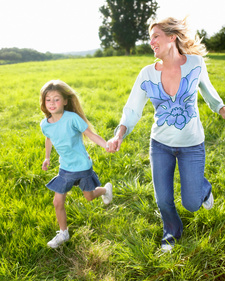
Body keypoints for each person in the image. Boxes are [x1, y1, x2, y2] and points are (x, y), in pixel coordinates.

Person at [106, 17, 225, 252]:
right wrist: (119, 134)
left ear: (172, 37)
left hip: (192, 145)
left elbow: (211, 96)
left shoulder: (196, 64)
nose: (151, 42)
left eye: (155, 36)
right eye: (150, 38)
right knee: (163, 200)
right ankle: (171, 231)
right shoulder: (147, 73)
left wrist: (222, 109)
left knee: (191, 204)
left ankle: (203, 189)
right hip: (160, 145)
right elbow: (132, 109)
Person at [40, 80, 112, 249]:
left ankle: (105, 190)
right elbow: (49, 138)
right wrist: (47, 157)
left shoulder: (72, 118)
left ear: (65, 101)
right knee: (58, 202)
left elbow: (90, 134)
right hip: (65, 168)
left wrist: (106, 145)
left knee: (89, 196)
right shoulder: (45, 124)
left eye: (56, 99)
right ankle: (63, 233)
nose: (52, 103)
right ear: (43, 102)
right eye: (48, 99)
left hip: (82, 166)